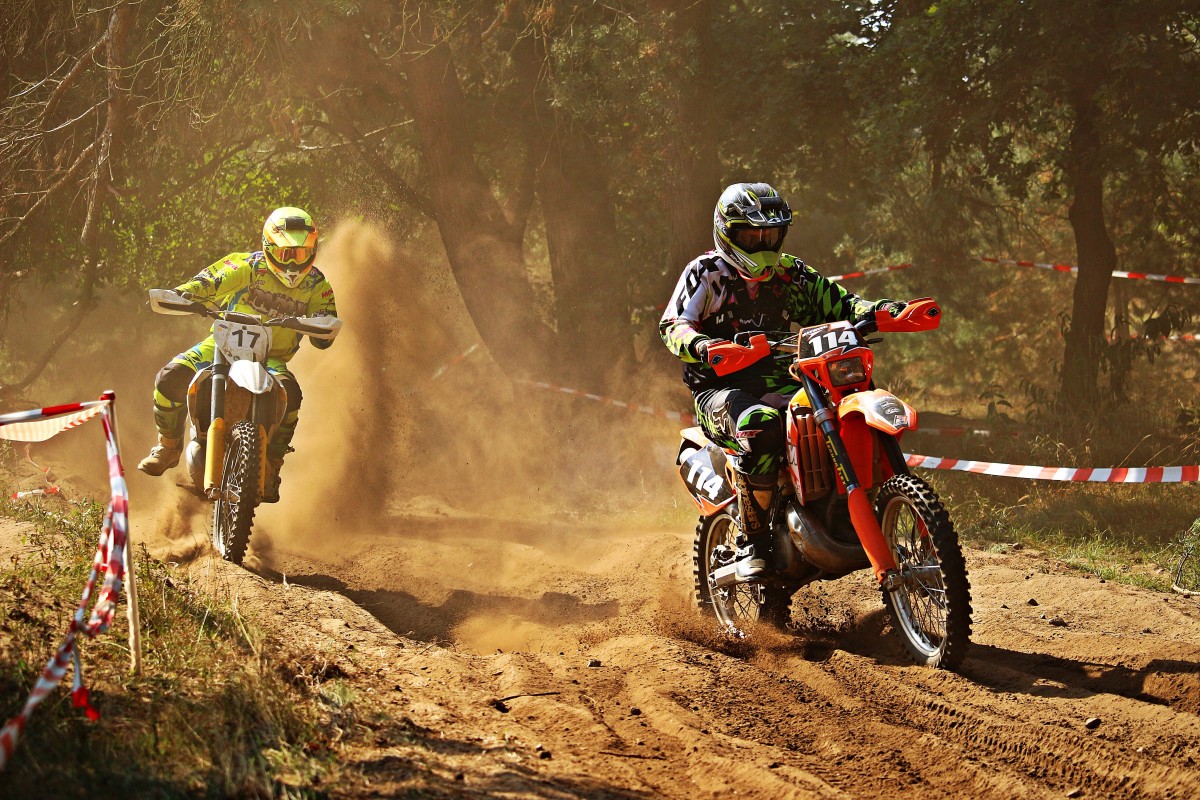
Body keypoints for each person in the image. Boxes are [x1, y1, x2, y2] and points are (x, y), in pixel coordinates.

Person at [659, 182, 905, 579]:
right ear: (727, 232)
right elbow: (673, 324)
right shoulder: (706, 273)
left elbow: (842, 304)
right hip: (720, 389)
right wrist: (703, 345)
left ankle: (852, 512)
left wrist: (884, 310)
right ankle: (752, 545)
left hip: (786, 378)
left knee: (833, 409)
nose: (762, 245)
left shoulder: (790, 273)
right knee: (760, 425)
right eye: (751, 236)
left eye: (769, 236)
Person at [137, 206, 337, 502]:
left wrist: (321, 326)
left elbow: (325, 333)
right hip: (220, 347)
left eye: (302, 253)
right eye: (286, 254)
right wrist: (183, 295)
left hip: (270, 358)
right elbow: (206, 284)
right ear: (269, 247)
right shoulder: (246, 266)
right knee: (169, 378)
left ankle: (272, 465)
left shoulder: (317, 285)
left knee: (292, 396)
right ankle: (168, 446)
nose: (294, 263)